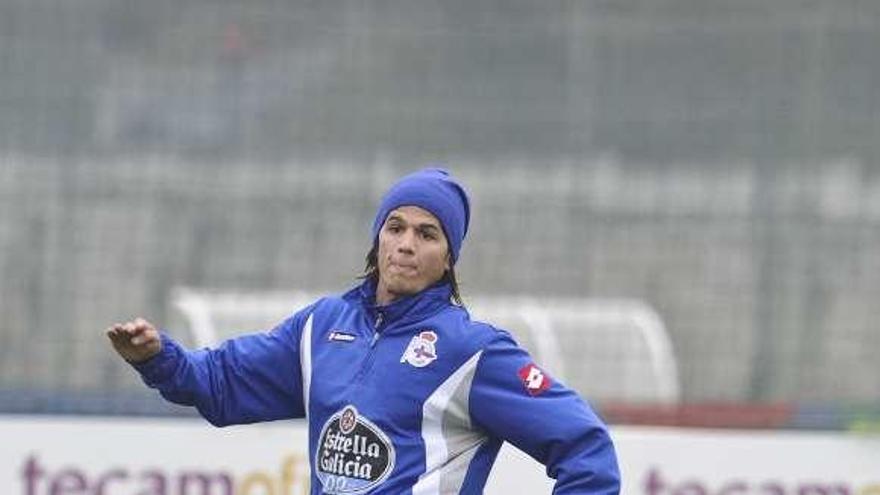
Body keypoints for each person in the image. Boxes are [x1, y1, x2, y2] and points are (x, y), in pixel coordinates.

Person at [107, 167, 620, 494]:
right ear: (377, 239)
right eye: (395, 227)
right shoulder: (321, 327)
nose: (406, 244)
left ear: (448, 259)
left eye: (427, 233)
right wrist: (158, 358)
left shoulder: (473, 352)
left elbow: (585, 449)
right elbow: (221, 384)